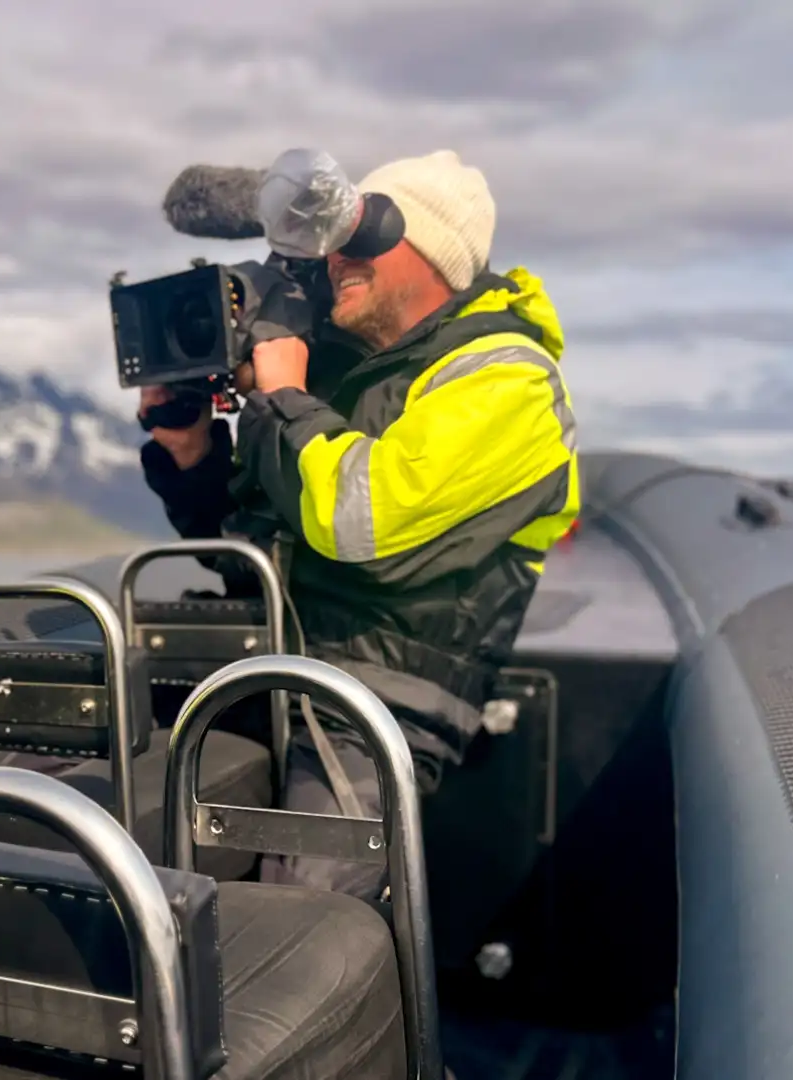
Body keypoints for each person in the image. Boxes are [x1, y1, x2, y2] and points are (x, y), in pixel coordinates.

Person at [139, 149, 579, 899]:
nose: (336, 254)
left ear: (431, 252)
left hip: (380, 701)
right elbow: (250, 552)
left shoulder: (509, 381)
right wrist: (190, 452)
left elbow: (360, 525)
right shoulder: (340, 372)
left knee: (300, 904)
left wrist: (282, 394)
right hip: (271, 661)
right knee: (88, 778)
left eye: (359, 236)